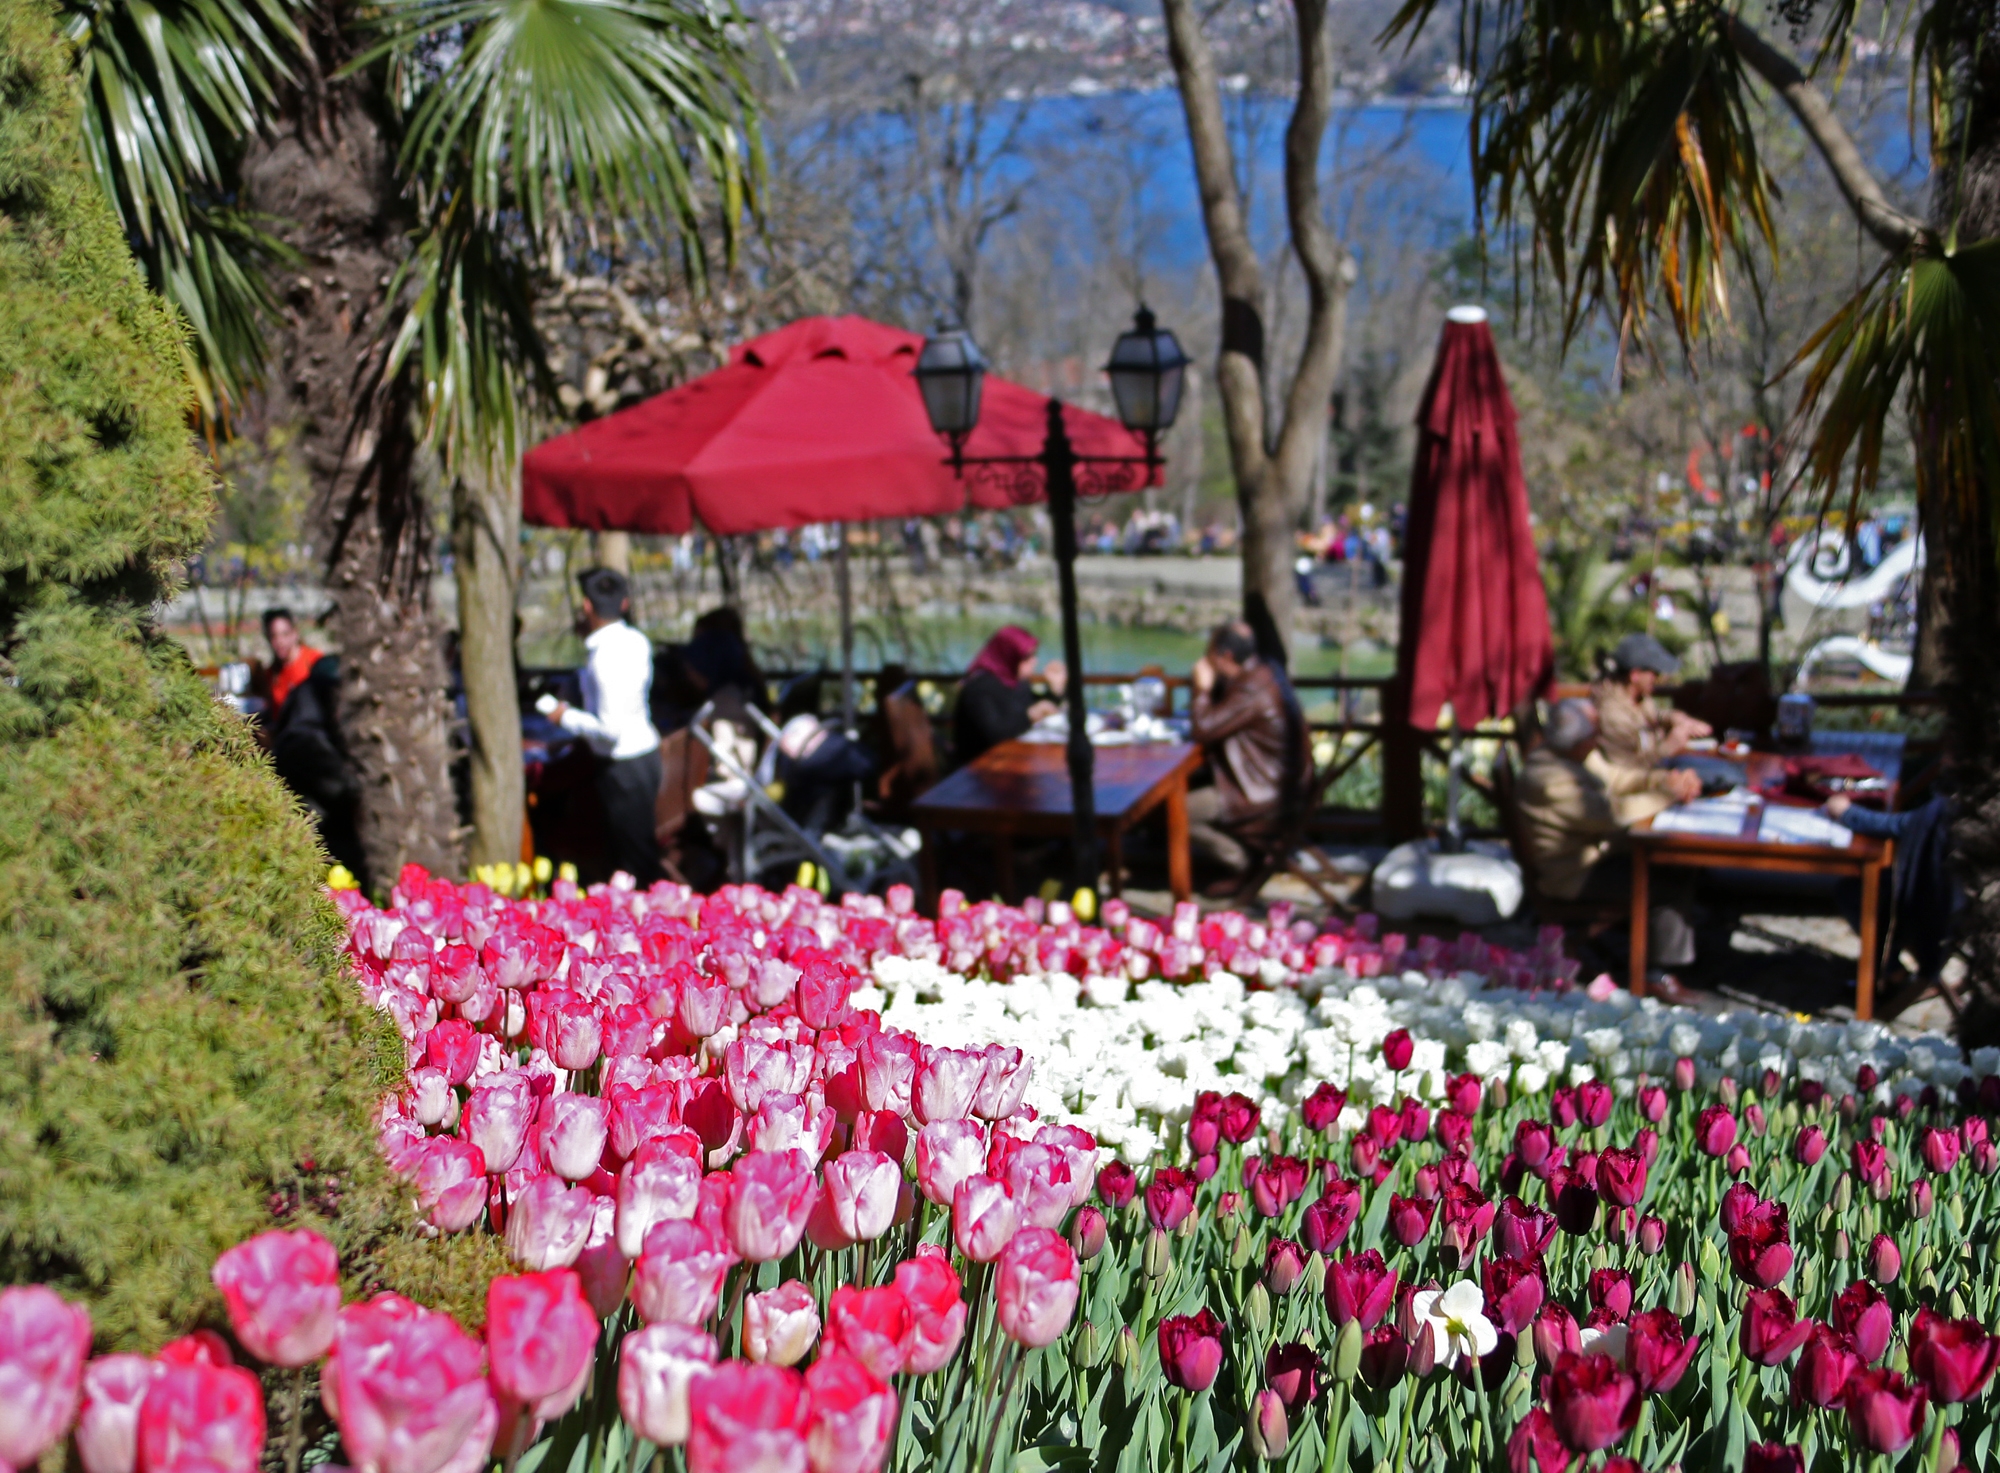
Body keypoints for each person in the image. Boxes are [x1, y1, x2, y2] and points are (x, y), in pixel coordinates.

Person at [1517, 698, 1702, 1003]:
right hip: (1574, 877)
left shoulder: (1570, 755)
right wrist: (1667, 794)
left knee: (1677, 867)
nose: (1598, 741)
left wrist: (1663, 780)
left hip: (1595, 857)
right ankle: (1656, 975)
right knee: (1669, 880)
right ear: (1577, 740)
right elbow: (1609, 815)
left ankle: (1664, 953)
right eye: (1594, 734)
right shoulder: (1548, 779)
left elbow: (1616, 778)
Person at [541, 568, 664, 885]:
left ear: (586, 606)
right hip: (645, 756)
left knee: (632, 865)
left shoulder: (605, 657)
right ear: (624, 603)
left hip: (623, 767)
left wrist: (564, 716)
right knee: (635, 856)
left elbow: (611, 731)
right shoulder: (635, 641)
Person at [1186, 620, 1306, 884]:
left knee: (1177, 812)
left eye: (1209, 654)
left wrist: (1201, 689)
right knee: (1186, 791)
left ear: (1226, 656)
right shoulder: (1264, 672)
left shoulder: (1250, 688)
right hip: (1277, 785)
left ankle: (1241, 862)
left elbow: (1203, 729)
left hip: (1263, 795)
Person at [255, 609, 366, 886]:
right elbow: (329, 776)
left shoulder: (309, 670)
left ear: (295, 633)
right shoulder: (306, 695)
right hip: (321, 818)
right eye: (273, 636)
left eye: (284, 633)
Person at [1826, 789, 1962, 1015]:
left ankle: (1891, 973)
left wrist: (1844, 811)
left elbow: (1894, 825)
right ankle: (1890, 969)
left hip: (1940, 913)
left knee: (1853, 892)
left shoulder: (1952, 808)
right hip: (1966, 909)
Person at [1592, 632, 1711, 775]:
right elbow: (1626, 771)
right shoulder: (1613, 715)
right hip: (1642, 781)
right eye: (1655, 673)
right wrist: (1669, 746)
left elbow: (1649, 717)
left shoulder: (1638, 698)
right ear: (1635, 675)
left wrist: (1674, 718)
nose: (1658, 679)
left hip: (1657, 769)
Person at [952, 626, 1066, 764]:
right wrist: (1029, 715)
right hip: (978, 771)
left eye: (1035, 654)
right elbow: (995, 735)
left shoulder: (1015, 682)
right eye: (1027, 657)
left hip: (1012, 762)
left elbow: (1036, 708)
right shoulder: (978, 688)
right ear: (1010, 656)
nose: (1034, 660)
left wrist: (1056, 689)